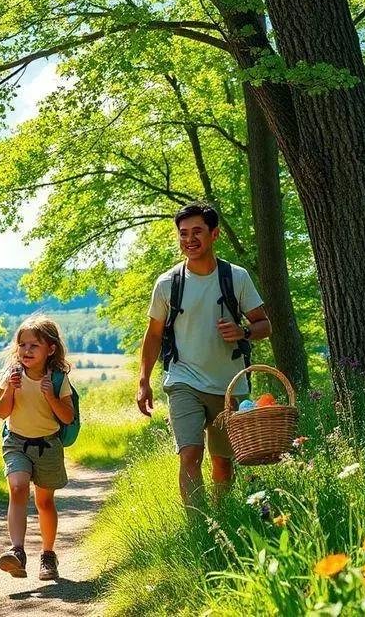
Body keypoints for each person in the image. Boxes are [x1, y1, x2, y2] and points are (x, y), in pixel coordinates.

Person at [137, 203, 271, 507]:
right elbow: (154, 334)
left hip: (229, 385)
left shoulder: (236, 278)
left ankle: (221, 518)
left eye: (197, 231)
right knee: (190, 453)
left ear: (214, 234)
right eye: (183, 233)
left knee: (223, 464)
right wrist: (143, 380)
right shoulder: (167, 283)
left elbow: (264, 324)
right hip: (184, 380)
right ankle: (199, 529)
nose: (189, 239)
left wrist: (243, 332)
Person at [0, 315, 75, 581]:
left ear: (50, 349)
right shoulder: (11, 375)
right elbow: (1, 412)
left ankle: (48, 555)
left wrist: (50, 396)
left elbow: (67, 417)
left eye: (34, 346)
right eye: (22, 345)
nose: (26, 351)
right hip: (16, 442)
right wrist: (11, 391)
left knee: (44, 501)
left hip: (48, 445)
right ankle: (17, 552)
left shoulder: (57, 379)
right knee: (17, 488)